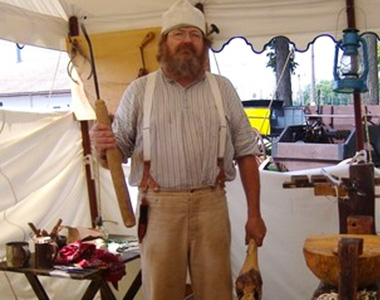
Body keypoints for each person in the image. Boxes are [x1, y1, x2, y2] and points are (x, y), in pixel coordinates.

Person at [90, 0, 266, 299]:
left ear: (203, 44)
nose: (187, 40)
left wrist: (254, 214)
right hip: (157, 209)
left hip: (211, 204)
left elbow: (247, 153)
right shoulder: (139, 91)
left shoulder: (222, 89)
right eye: (179, 33)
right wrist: (101, 147)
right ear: (164, 43)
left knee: (216, 293)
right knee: (162, 292)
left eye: (195, 35)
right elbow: (114, 156)